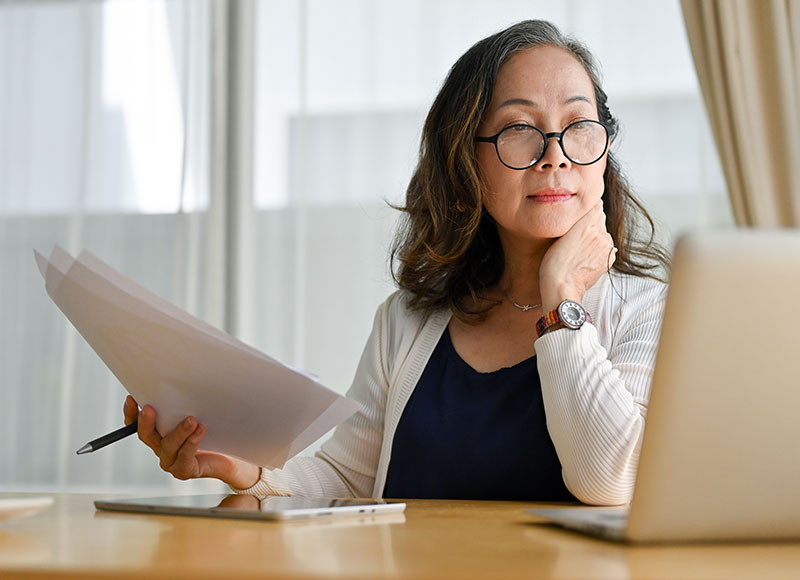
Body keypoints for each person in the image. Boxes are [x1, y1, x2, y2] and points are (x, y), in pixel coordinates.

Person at [124, 19, 670, 506]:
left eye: (578, 125)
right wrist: (247, 471)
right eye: (520, 129)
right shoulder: (406, 320)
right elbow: (346, 478)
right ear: (467, 161)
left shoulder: (650, 311)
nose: (555, 154)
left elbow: (609, 480)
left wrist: (561, 299)